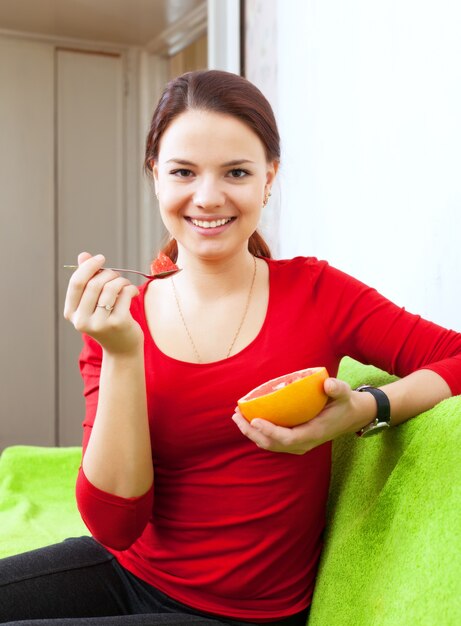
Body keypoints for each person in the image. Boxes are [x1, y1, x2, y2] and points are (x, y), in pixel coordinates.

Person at [1, 69, 461, 626]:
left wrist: (365, 408)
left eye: (236, 172)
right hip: (129, 570)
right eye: (183, 172)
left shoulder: (319, 293)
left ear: (268, 179)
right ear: (155, 177)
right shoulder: (121, 324)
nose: (208, 196)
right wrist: (123, 354)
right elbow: (116, 527)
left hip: (240, 616)